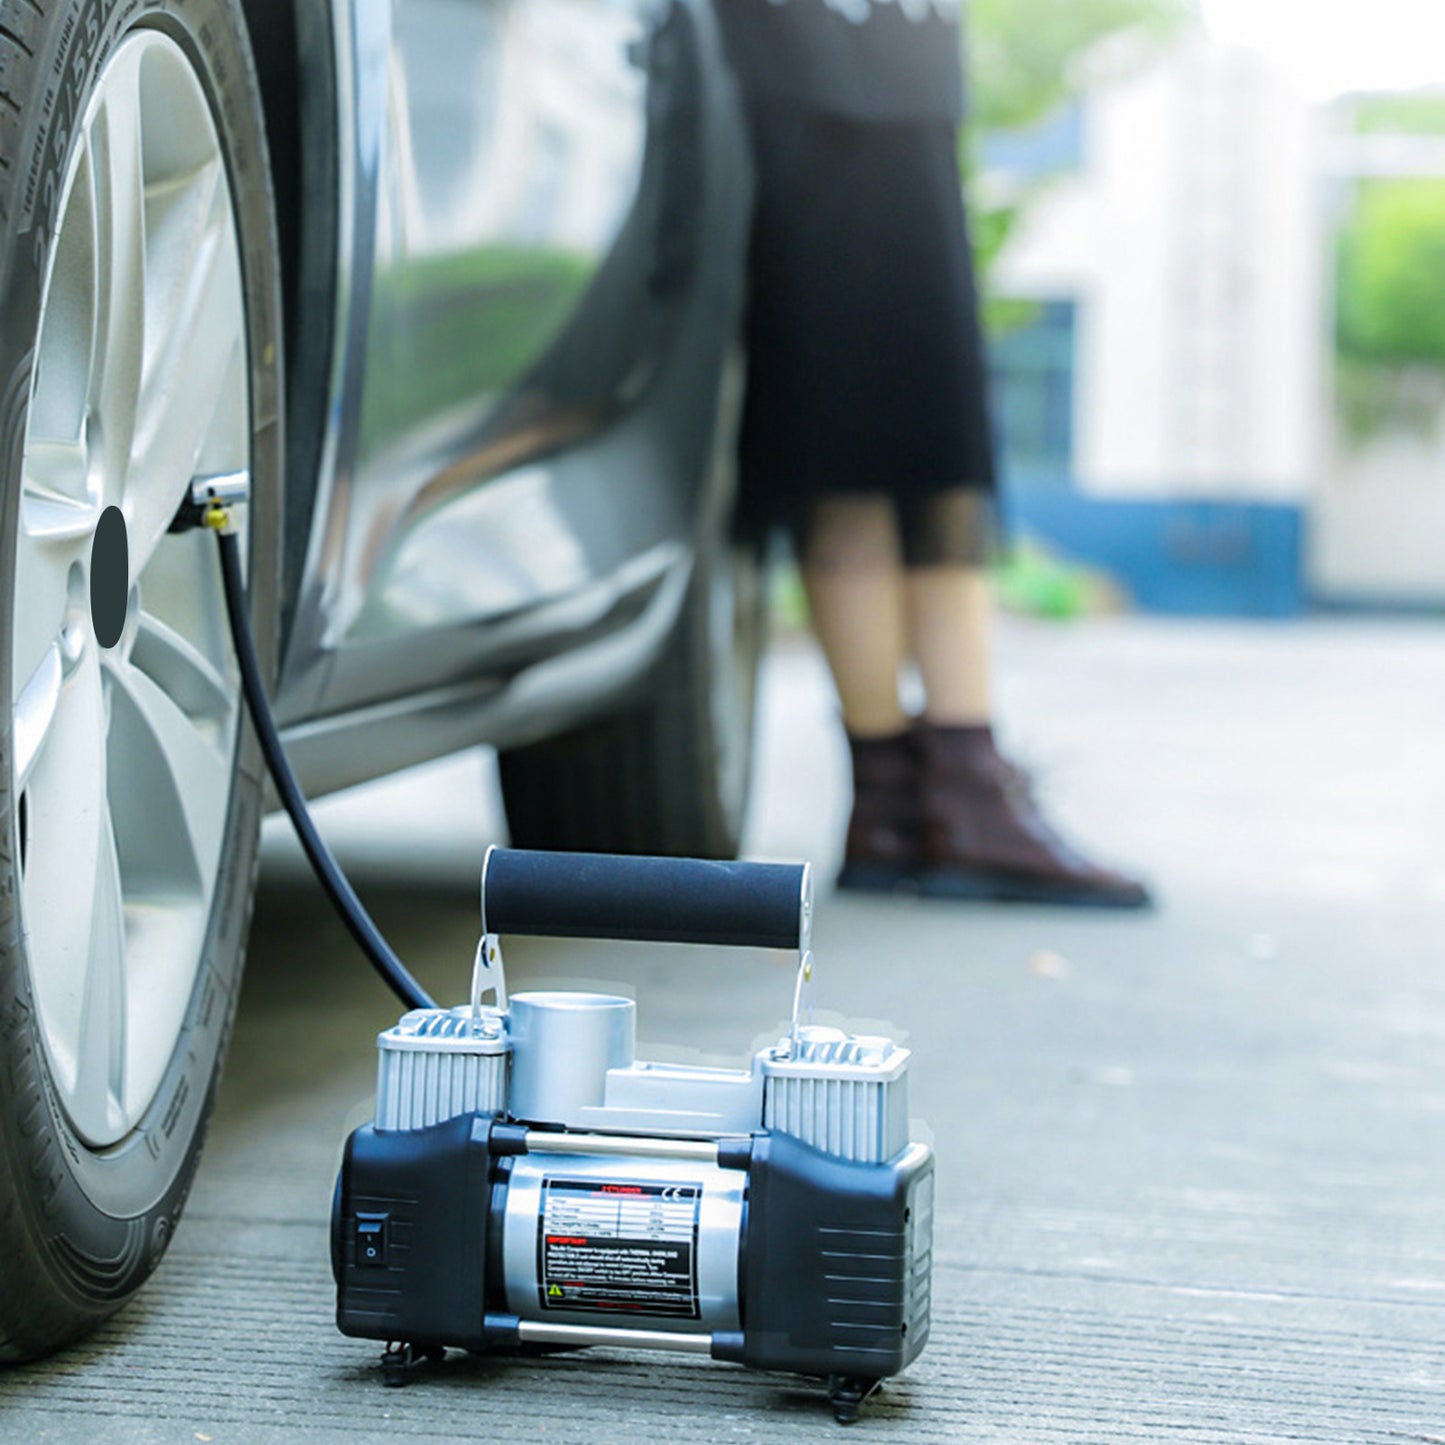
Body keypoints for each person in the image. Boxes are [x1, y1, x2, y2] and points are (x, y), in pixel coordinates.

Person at [718, 0, 1149, 907]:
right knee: (889, 442)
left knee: (883, 440)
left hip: (869, 71)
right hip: (820, 67)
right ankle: (952, 795)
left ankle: (902, 801)